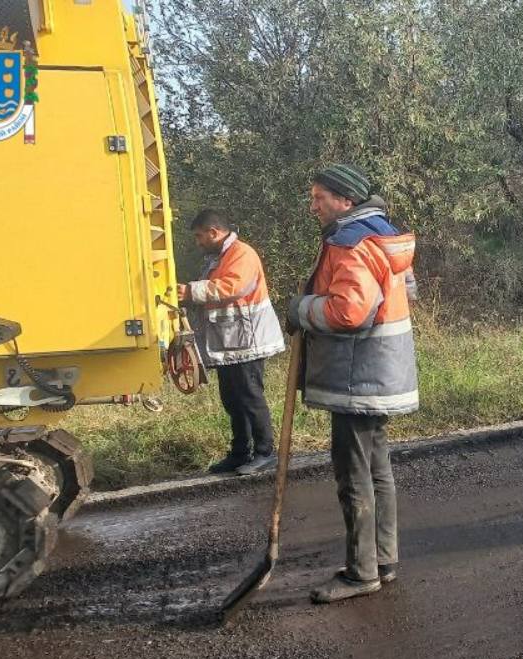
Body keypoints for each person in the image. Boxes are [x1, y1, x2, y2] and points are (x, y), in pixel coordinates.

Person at [285, 164, 420, 603]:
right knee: (376, 468)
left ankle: (362, 573)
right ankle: (383, 559)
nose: (313, 205)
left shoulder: (351, 244)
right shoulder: (386, 235)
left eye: (318, 197)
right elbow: (408, 293)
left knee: (354, 474)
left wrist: (302, 309)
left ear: (344, 200)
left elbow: (349, 312)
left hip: (356, 378)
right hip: (382, 373)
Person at [178, 209, 285, 476]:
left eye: (199, 236)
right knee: (233, 400)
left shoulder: (242, 253)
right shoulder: (220, 256)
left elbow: (232, 287)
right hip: (232, 343)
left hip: (248, 341)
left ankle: (265, 453)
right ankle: (240, 453)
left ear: (214, 233)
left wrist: (190, 291)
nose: (198, 242)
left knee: (250, 398)